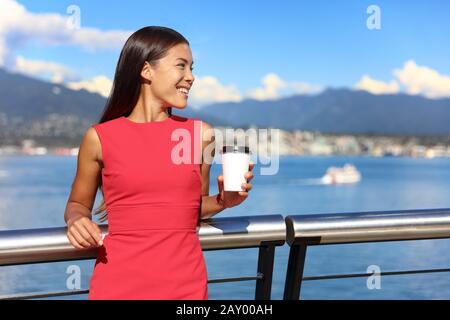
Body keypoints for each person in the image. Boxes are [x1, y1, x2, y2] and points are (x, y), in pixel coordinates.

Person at [63, 26, 254, 300]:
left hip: (186, 289)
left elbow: (192, 207)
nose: (191, 77)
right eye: (181, 66)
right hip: (116, 288)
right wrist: (77, 219)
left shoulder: (201, 135)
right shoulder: (99, 138)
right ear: (146, 70)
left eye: (192, 68)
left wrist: (226, 200)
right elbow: (77, 204)